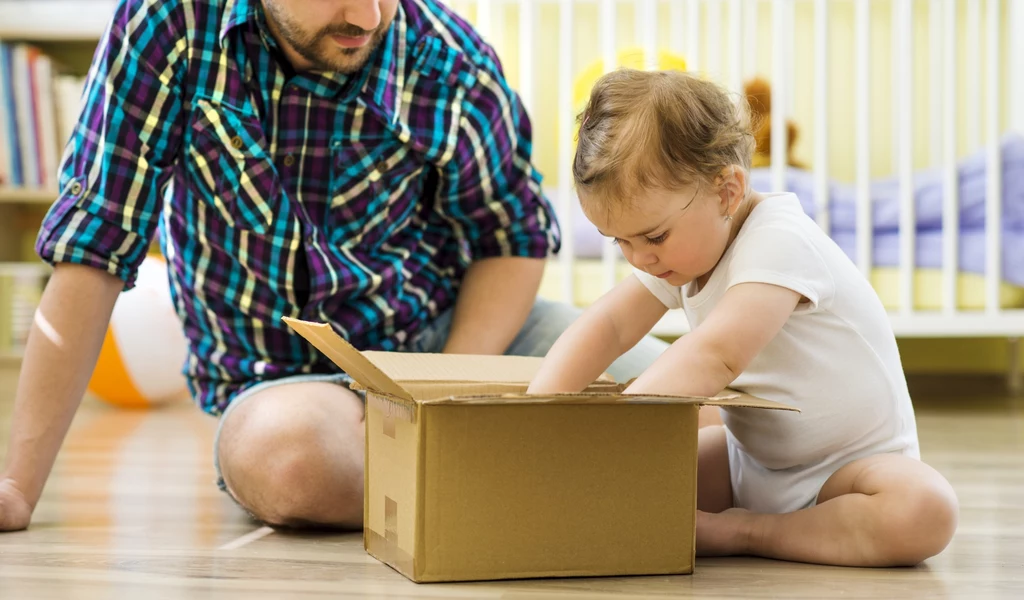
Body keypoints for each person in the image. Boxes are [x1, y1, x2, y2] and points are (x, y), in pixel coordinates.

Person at [0, 0, 669, 532]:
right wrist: (16, 487)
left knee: (683, 412)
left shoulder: (451, 60)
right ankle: (559, 487)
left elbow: (512, 235)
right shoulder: (168, 25)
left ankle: (483, 479)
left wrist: (443, 399)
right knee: (295, 465)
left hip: (446, 338)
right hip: (281, 384)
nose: (370, 16)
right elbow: (93, 249)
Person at [526, 69, 959, 568]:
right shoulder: (681, 251)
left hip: (849, 475)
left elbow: (716, 354)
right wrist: (539, 417)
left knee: (925, 509)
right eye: (619, 241)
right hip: (747, 468)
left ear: (727, 191)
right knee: (600, 489)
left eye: (653, 237)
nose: (638, 258)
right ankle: (736, 517)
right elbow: (608, 325)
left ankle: (748, 532)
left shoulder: (780, 240)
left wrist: (624, 431)